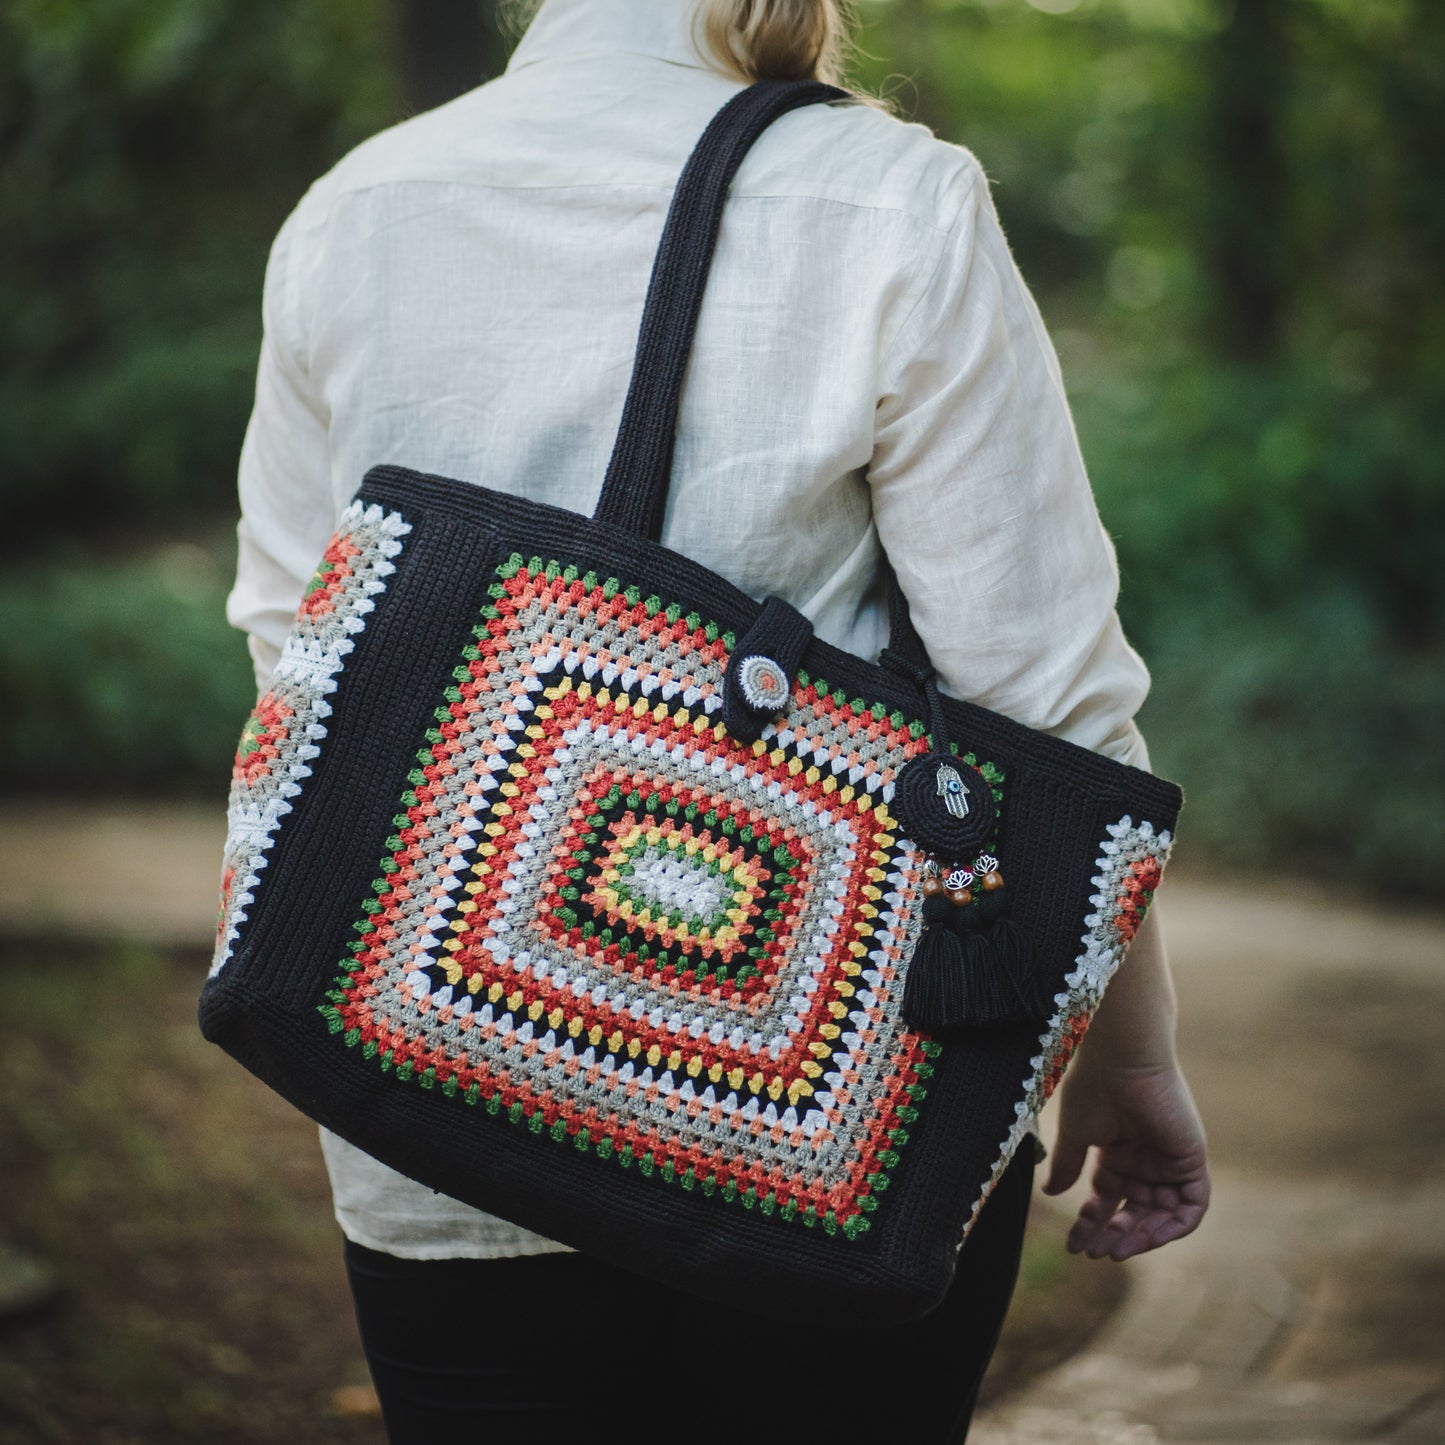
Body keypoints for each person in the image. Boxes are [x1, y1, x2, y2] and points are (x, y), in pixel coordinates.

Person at [226, 0, 1210, 1438]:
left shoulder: (353, 209)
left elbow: (290, 654)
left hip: (432, 1075)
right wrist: (1129, 1061)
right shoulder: (887, 199)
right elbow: (1045, 711)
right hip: (827, 1110)